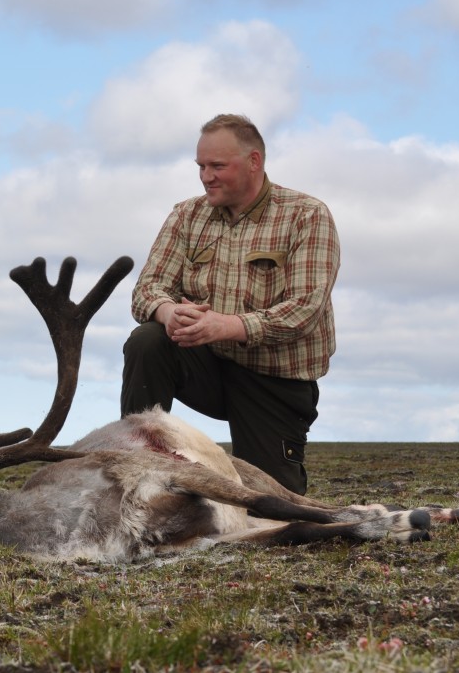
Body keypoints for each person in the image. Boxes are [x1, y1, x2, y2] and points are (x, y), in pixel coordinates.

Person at [120, 114, 339, 494]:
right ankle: (138, 469)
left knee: (268, 503)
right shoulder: (187, 215)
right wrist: (169, 312)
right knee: (148, 340)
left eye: (217, 166)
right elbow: (147, 289)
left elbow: (306, 308)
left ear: (254, 162)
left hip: (273, 380)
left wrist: (228, 325)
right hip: (208, 368)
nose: (206, 176)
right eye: (201, 167)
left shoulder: (307, 215)